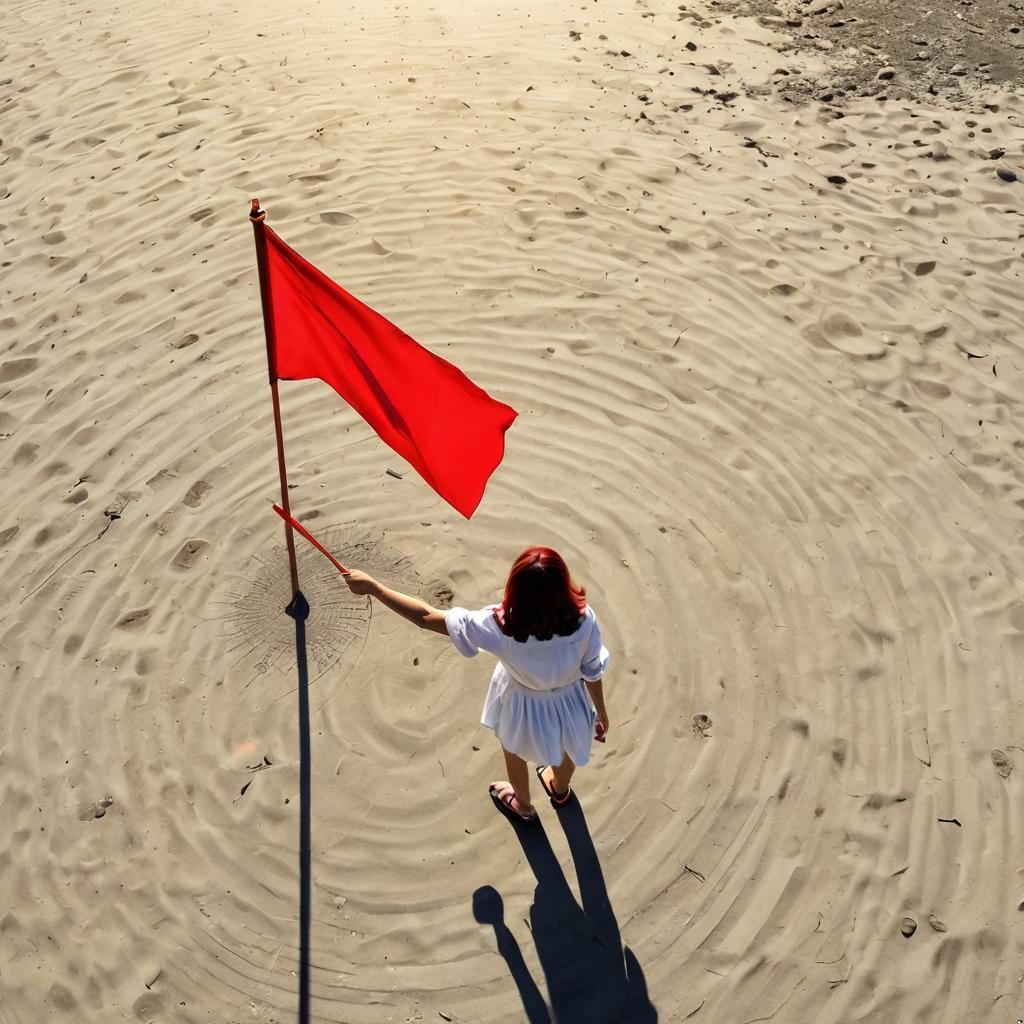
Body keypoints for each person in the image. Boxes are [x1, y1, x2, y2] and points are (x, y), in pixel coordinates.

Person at [342, 546, 610, 822]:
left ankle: (523, 805)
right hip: (570, 699)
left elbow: (425, 617)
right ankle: (560, 789)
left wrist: (374, 588)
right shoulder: (583, 617)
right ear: (563, 583)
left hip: (522, 704)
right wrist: (600, 712)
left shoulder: (499, 625)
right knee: (570, 743)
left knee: (515, 750)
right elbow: (592, 670)